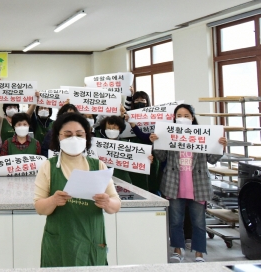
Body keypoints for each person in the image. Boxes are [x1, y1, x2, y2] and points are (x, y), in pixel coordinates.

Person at [34, 112, 121, 267]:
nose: (74, 138)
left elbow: (116, 205)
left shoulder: (98, 166)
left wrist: (107, 202)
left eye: (79, 134)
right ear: (58, 137)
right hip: (60, 242)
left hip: (91, 241)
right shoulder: (48, 166)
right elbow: (39, 208)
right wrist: (53, 201)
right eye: (68, 135)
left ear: (86, 137)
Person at [150, 104, 227, 263]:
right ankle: (178, 250)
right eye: (179, 115)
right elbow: (161, 157)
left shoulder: (203, 135)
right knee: (175, 221)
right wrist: (156, 143)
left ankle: (199, 254)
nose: (182, 118)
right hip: (174, 185)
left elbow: (212, 159)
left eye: (186, 116)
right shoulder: (169, 134)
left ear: (192, 118)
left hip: (198, 185)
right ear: (174, 118)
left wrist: (221, 146)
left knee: (199, 223)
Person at [94, 115, 154, 184]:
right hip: (102, 179)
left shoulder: (126, 144)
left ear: (120, 129)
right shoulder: (98, 144)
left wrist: (146, 159)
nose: (111, 130)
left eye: (114, 128)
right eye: (108, 128)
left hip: (122, 180)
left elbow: (136, 159)